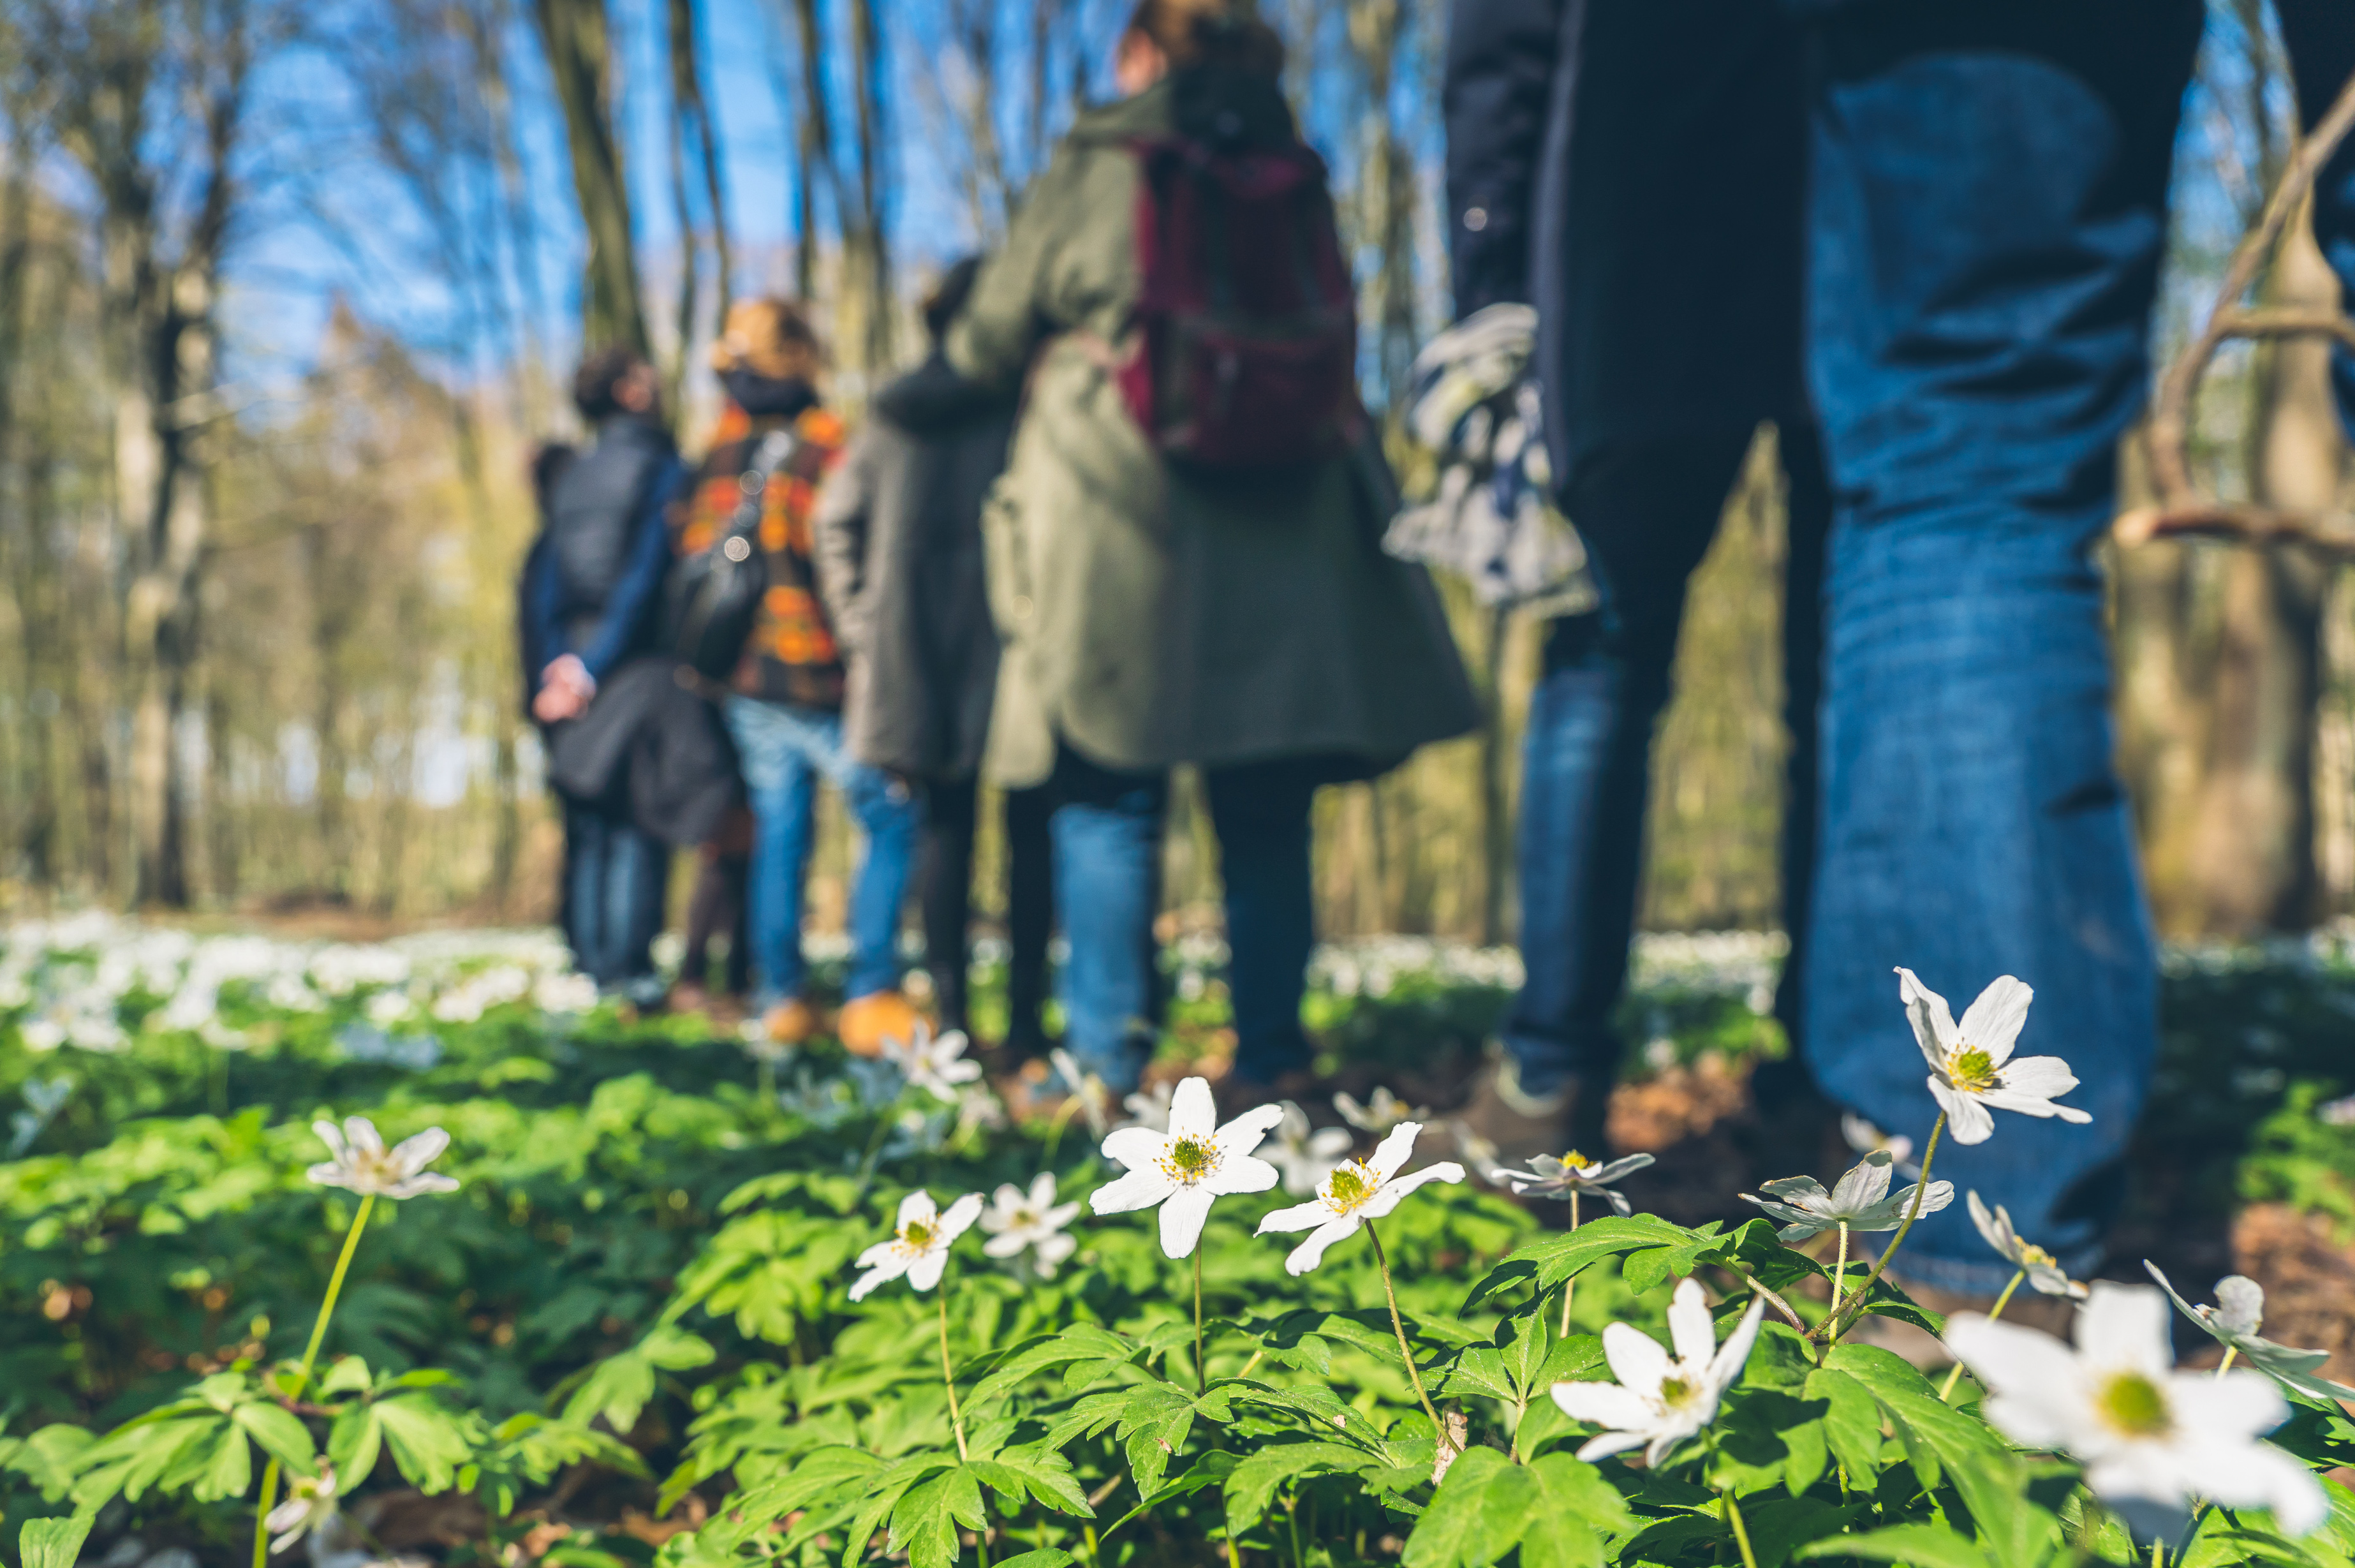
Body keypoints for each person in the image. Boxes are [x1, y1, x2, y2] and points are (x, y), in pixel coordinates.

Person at [1443, 0, 2355, 1296]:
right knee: (1957, 499)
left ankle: (1906, 1229)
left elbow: (1508, 31)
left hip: (1671, 135)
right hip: (1992, 68)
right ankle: (1955, 1224)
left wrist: (1492, 274)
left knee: (1657, 622)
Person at [947, 0, 1479, 1097]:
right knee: (1265, 810)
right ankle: (1276, 1062)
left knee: (1109, 795)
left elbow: (987, 337)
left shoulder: (1100, 162)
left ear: (1143, 50)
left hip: (1118, 521)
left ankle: (1105, 1065)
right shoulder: (1299, 169)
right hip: (1289, 531)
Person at [1441, 0, 1831, 1167]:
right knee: (1849, 666)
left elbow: (1500, 48)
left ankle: (1549, 1072)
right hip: (1844, 186)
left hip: (1639, 215)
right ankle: (1832, 1072)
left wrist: (1492, 271)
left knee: (1601, 659)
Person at [816, 258, 1054, 1053]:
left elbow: (834, 524)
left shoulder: (892, 417)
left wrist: (867, 627)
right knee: (1031, 833)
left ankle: (953, 1024)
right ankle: (1023, 1026)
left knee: (942, 832)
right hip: (1017, 647)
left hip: (916, 652)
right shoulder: (1030, 410)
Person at [695, 299, 922, 1056]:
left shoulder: (720, 451)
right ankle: (870, 989)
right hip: (820, 674)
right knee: (888, 815)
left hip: (744, 678)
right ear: (800, 355)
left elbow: (692, 553)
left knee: (781, 833)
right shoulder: (828, 444)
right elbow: (851, 559)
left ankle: (781, 997)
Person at [533, 348, 740, 1002]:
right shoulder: (663, 467)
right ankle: (626, 975)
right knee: (635, 817)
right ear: (627, 391)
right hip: (634, 661)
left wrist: (557, 665)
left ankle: (591, 974)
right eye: (646, 379)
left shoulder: (575, 473)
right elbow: (646, 574)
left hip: (568, 660)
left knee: (592, 818)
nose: (656, 388)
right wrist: (592, 668)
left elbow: (547, 578)